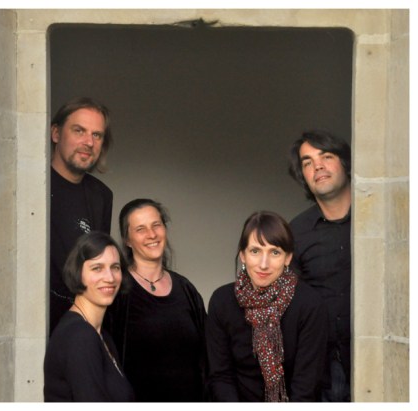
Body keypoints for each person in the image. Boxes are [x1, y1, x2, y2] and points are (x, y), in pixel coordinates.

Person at [206, 211, 327, 402]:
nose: (264, 264)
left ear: (288, 258)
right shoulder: (222, 301)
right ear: (243, 255)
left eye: (275, 252)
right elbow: (221, 376)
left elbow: (306, 385)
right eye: (255, 251)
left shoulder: (309, 304)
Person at [108, 198, 207, 402]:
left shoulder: (186, 289)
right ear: (127, 240)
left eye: (156, 225)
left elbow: (208, 355)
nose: (151, 234)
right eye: (140, 229)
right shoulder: (117, 291)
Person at [288, 130, 351, 402]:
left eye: (326, 156)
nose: (318, 166)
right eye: (308, 162)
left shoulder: (382, 218)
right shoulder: (296, 232)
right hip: (327, 366)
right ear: (302, 175)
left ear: (345, 162)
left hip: (386, 349)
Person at [44, 231, 135, 402]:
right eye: (97, 268)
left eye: (115, 267)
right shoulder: (80, 336)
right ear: (78, 273)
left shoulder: (101, 335)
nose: (109, 278)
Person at [49, 97, 114, 335]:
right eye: (79, 131)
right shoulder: (33, 184)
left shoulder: (101, 196)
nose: (89, 142)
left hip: (81, 324)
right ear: (56, 133)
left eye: (97, 135)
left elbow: (97, 264)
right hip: (33, 321)